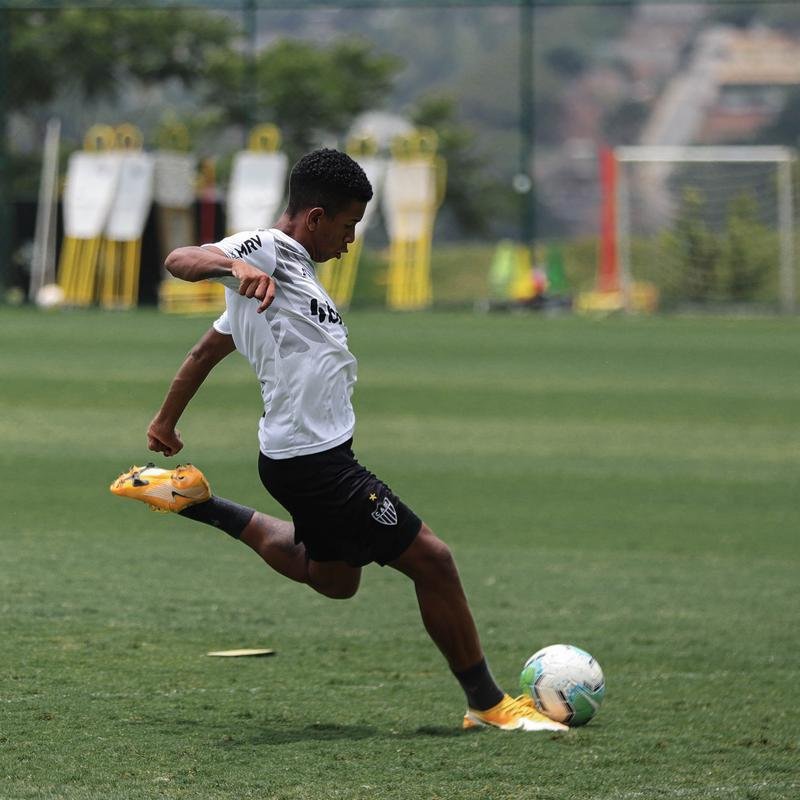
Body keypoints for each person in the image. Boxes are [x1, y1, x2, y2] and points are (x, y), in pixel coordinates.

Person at [110, 148, 566, 733]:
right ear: (315, 216)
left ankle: (198, 501)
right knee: (433, 561)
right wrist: (234, 267)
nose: (351, 240)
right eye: (348, 226)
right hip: (315, 463)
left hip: (306, 457)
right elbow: (180, 259)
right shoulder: (265, 249)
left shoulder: (293, 276)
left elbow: (207, 349)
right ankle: (488, 704)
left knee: (334, 580)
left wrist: (165, 422)